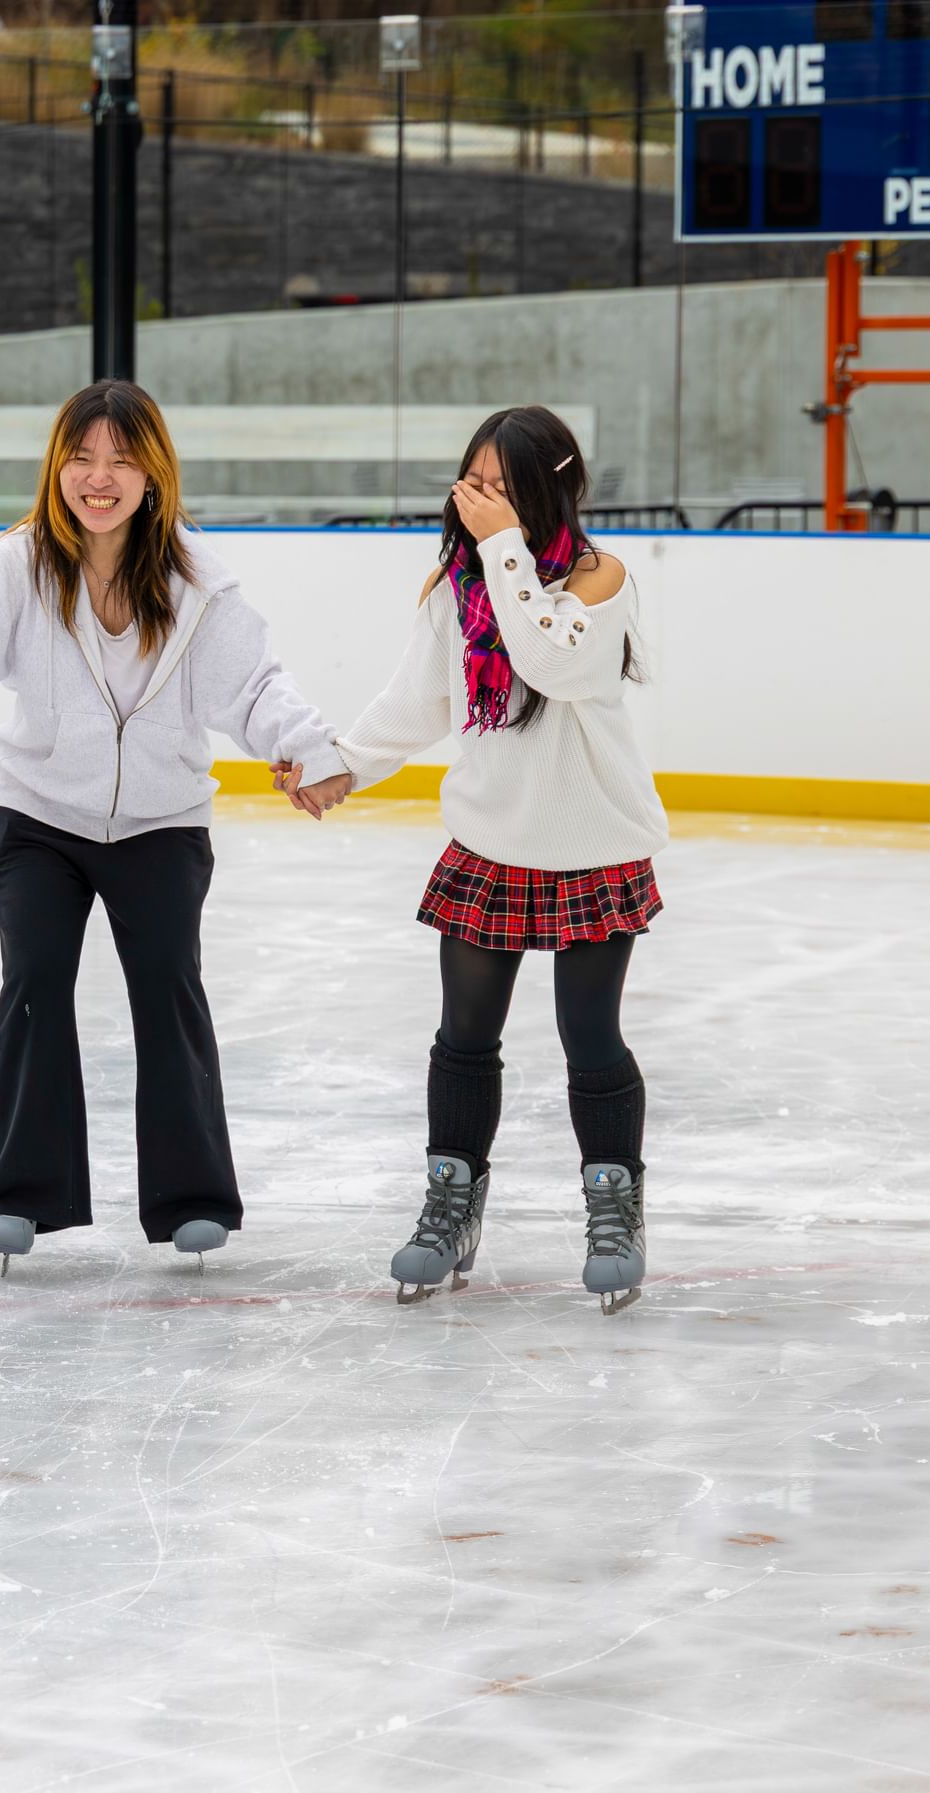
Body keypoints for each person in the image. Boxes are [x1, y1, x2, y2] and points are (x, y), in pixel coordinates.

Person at [0, 379, 347, 1275]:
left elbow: (253, 687)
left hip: (161, 821)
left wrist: (307, 751)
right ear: (58, 466)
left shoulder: (199, 584)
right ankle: (21, 1194)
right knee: (36, 977)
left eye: (120, 461)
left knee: (168, 982)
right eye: (81, 458)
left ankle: (193, 1199)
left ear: (152, 473)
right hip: (37, 818)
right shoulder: (18, 565)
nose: (99, 478)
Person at [278, 404, 664, 1313]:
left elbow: (551, 664)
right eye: (473, 481)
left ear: (549, 492)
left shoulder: (602, 581)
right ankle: (453, 1202)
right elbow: (416, 703)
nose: (477, 499)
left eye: (500, 486)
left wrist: (504, 550)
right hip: (492, 842)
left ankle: (616, 1206)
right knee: (464, 1035)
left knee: (590, 1036)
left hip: (592, 846)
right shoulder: (456, 584)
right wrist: (341, 767)